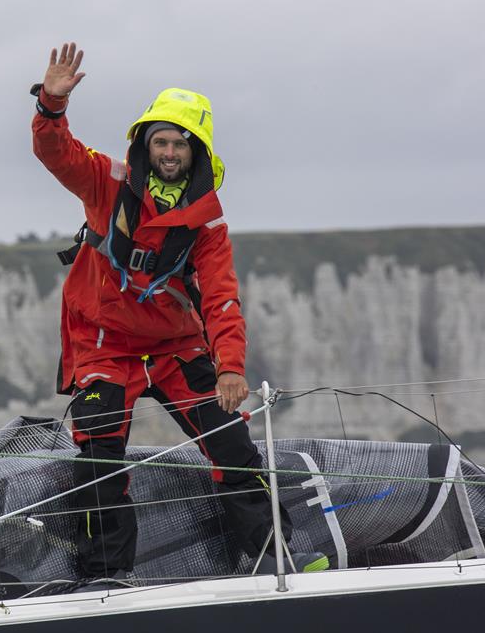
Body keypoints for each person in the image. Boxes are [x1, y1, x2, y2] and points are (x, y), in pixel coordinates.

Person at [31, 42, 327, 585]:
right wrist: (51, 104)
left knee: (232, 444)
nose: (169, 151)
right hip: (102, 344)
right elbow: (57, 153)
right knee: (98, 453)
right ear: (146, 145)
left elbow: (221, 298)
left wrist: (230, 367)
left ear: (198, 152)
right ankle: (105, 578)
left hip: (173, 346)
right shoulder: (109, 181)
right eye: (160, 141)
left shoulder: (208, 223)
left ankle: (272, 557)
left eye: (180, 144)